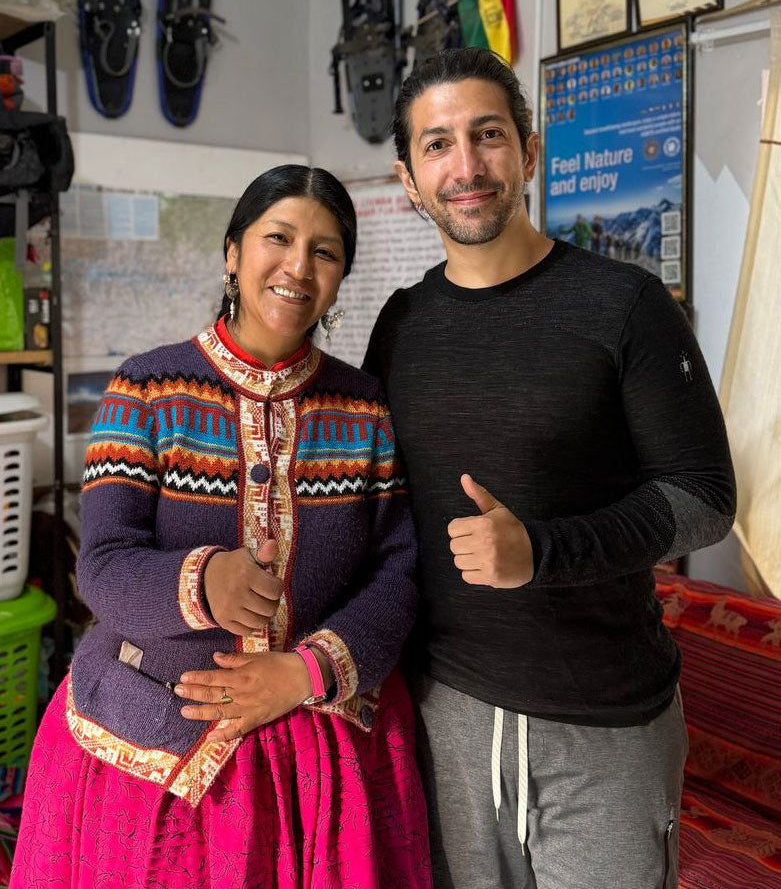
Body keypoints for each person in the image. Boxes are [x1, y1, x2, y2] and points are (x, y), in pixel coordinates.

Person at [363, 48, 736, 889]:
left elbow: (706, 499)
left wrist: (542, 552)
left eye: (488, 135)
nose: (465, 166)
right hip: (442, 711)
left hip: (603, 717)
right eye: (437, 145)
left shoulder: (624, 303)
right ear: (408, 179)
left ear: (529, 153)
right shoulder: (401, 324)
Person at [12, 165, 431, 889]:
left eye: (325, 252)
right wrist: (205, 582)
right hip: (151, 753)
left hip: (321, 753)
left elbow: (395, 574)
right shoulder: (146, 388)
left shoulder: (363, 408)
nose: (298, 267)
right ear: (233, 252)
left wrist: (301, 673)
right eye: (278, 238)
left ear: (338, 280)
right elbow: (103, 566)